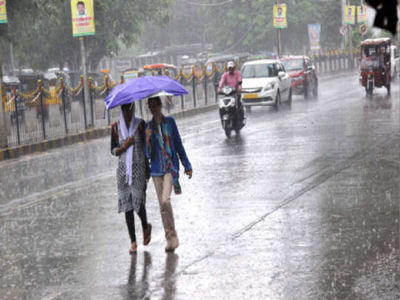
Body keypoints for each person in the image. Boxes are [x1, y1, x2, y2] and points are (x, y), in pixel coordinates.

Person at [145, 97, 193, 252]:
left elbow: (178, 144)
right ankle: (169, 238)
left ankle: (173, 236)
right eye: (150, 107)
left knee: (166, 201)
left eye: (155, 106)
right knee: (162, 206)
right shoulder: (149, 127)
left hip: (170, 167)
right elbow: (148, 154)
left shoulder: (170, 122)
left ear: (160, 106)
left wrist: (187, 164)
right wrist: (147, 139)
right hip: (156, 169)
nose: (154, 109)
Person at [111, 103, 152, 254]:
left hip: (139, 167)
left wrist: (147, 139)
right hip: (123, 170)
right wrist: (124, 146)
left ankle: (145, 225)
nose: (127, 113)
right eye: (124, 109)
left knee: (137, 201)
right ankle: (133, 241)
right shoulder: (115, 127)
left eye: (129, 109)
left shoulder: (140, 124)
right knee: (127, 205)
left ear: (133, 109)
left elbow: (147, 148)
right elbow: (113, 150)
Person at [217, 61, 245, 125]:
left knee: (239, 106)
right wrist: (219, 89)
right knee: (221, 107)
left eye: (232, 68)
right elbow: (221, 82)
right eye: (229, 68)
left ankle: (240, 119)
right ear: (227, 68)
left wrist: (239, 89)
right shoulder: (225, 75)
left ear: (234, 68)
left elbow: (239, 82)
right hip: (227, 95)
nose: (230, 69)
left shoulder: (238, 74)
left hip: (235, 94)